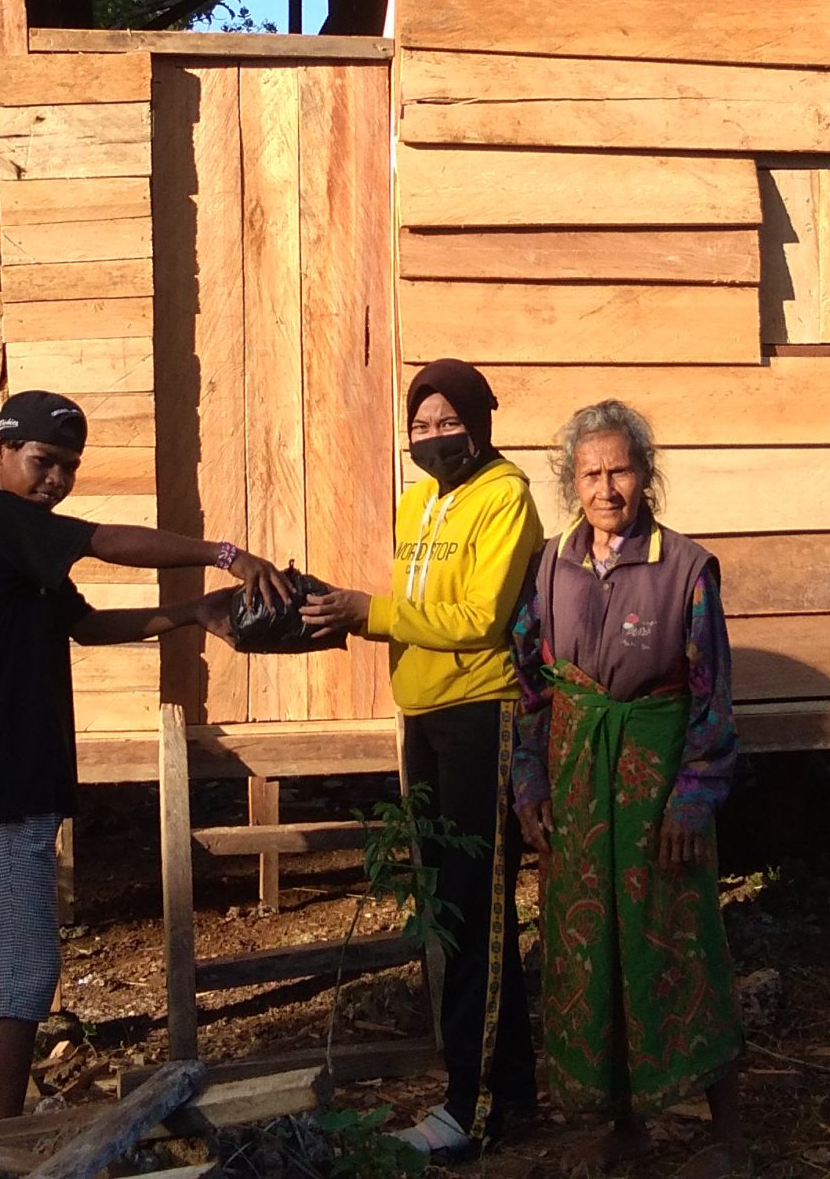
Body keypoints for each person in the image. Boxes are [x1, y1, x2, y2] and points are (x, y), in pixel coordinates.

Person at [0, 389, 293, 1123]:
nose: (56, 480)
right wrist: (224, 555)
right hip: (5, 783)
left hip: (6, 781)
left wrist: (194, 614)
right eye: (43, 462)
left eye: (69, 467)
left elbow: (89, 626)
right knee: (22, 981)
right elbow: (106, 541)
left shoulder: (13, 544)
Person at [300, 358, 543, 1162]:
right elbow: (421, 608)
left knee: (478, 903)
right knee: (446, 903)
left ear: (481, 422)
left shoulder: (505, 496)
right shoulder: (417, 499)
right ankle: (508, 1093)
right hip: (424, 712)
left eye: (450, 422)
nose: (435, 438)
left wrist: (369, 612)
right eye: (422, 425)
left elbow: (478, 617)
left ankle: (469, 1109)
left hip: (482, 711)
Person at [511, 400, 744, 1179]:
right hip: (576, 783)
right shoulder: (550, 565)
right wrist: (529, 779)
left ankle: (726, 1136)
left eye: (621, 469)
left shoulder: (686, 568)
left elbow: (712, 697)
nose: (607, 486)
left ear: (646, 475)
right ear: (570, 482)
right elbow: (531, 686)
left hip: (655, 783)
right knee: (588, 948)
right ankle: (623, 1127)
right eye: (591, 472)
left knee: (677, 939)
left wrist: (693, 795)